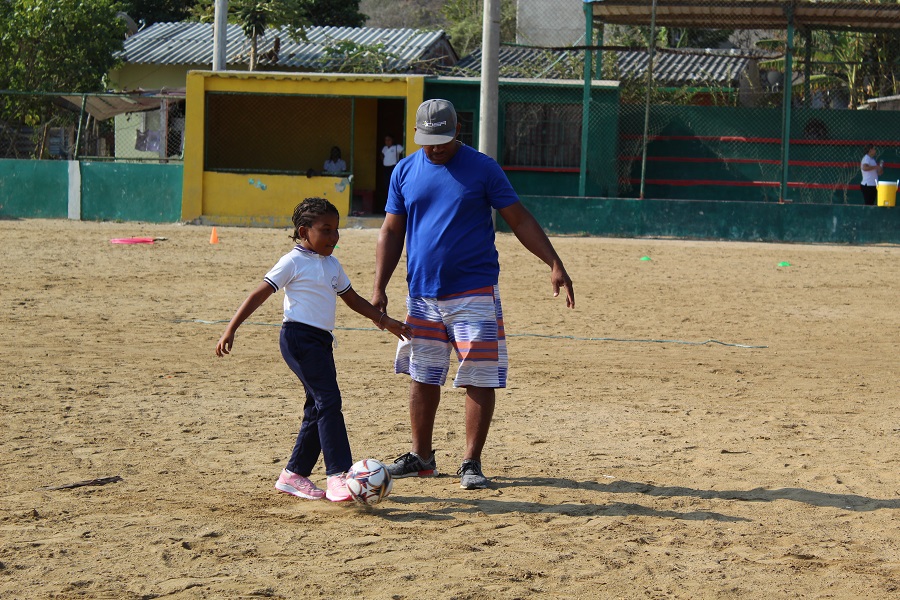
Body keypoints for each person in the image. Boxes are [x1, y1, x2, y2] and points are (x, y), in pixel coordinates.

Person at [371, 99, 575, 490]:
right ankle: (422, 458)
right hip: (423, 295)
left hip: (473, 293)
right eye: (428, 140)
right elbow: (391, 232)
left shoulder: (482, 168)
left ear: (457, 130)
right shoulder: (405, 170)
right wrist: (379, 286)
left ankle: (471, 463)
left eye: (443, 139)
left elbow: (519, 219)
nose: (435, 147)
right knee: (422, 375)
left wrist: (554, 262)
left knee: (478, 377)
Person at [215, 198, 412, 502]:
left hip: (321, 342)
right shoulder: (292, 261)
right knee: (329, 401)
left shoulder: (332, 265)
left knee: (317, 407)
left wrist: (386, 322)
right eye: (326, 230)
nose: (334, 237)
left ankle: (294, 475)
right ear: (303, 231)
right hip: (297, 338)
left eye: (337, 230)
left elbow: (354, 300)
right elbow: (260, 293)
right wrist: (231, 328)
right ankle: (339, 475)